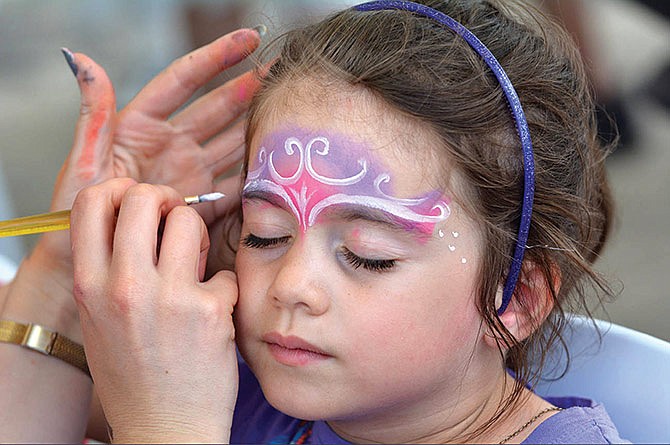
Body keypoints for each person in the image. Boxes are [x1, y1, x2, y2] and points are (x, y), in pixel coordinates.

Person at [0, 0, 628, 443]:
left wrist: (167, 431)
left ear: (513, 297)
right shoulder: (231, 393)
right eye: (265, 233)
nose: (291, 284)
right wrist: (64, 266)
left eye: (367, 253)